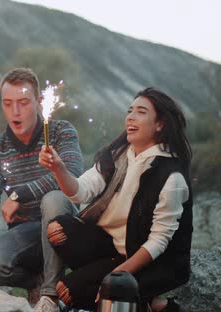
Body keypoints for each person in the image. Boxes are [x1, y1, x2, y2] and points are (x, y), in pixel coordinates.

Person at [39, 87, 192, 312]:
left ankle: (160, 306)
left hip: (152, 262)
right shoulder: (117, 156)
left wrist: (117, 276)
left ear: (160, 124)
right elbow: (80, 191)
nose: (130, 116)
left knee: (69, 292)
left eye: (141, 112)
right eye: (130, 110)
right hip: (111, 248)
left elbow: (158, 242)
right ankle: (145, 300)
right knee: (58, 230)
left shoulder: (171, 176)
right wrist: (59, 168)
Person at [0, 68, 83, 312]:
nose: (15, 112)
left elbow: (72, 174)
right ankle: (38, 283)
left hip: (65, 227)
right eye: (8, 104)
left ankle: (50, 296)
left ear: (39, 102)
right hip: (25, 233)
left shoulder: (61, 131)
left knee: (53, 199)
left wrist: (19, 194)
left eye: (23, 102)